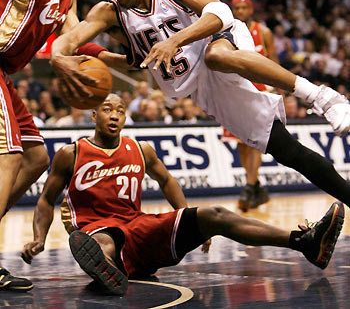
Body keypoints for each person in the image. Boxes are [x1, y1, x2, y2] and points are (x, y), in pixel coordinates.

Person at [50, 0, 350, 213]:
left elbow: (220, 11)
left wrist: (174, 40)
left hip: (218, 39)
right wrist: (59, 58)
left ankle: (322, 97)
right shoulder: (109, 12)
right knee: (286, 150)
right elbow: (72, 40)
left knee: (216, 56)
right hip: (202, 87)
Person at [21, 94, 344, 295]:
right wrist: (39, 238)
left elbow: (168, 181)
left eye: (120, 110)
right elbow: (47, 199)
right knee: (100, 243)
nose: (115, 115)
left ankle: (303, 242)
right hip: (98, 228)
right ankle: (107, 267)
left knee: (213, 215)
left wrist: (183, 214)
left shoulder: (140, 149)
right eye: (107, 110)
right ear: (94, 116)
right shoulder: (71, 153)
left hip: (139, 226)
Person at [0, 0, 156, 291]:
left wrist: (119, 60)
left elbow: (75, 39)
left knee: (36, 158)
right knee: (8, 157)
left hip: (4, 75)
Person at [224, 0, 280, 211]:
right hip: (235, 91)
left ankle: (248, 186)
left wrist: (277, 87)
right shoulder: (228, 32)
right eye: (236, 7)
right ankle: (257, 189)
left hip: (259, 91)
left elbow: (273, 60)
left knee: (253, 140)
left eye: (244, 7)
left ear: (251, 10)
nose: (240, 11)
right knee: (240, 142)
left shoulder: (263, 32)